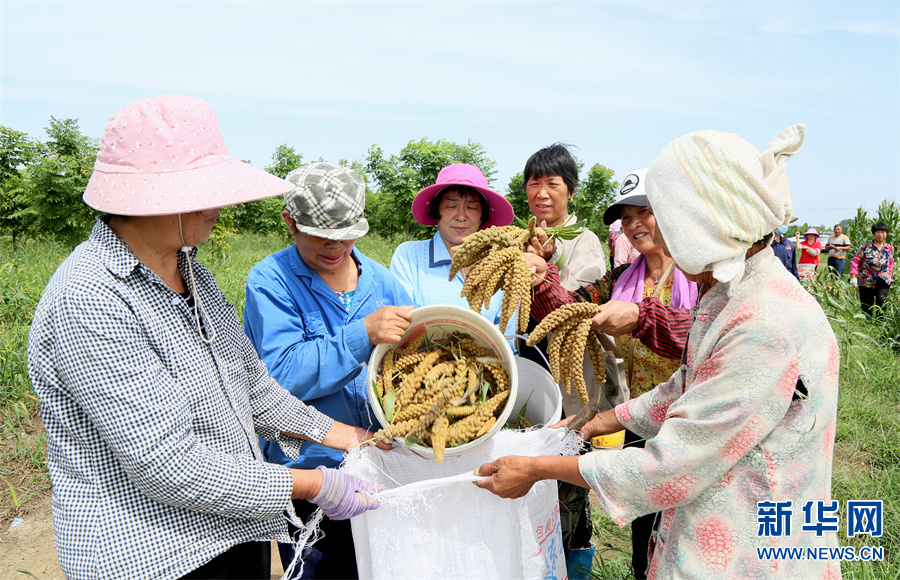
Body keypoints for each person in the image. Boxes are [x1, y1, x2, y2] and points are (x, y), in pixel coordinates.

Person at [26, 95, 386, 580]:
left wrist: (352, 439)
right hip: (155, 556)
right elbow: (168, 463)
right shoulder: (91, 297)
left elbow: (253, 387)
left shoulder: (193, 275)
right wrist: (315, 483)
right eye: (207, 191)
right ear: (158, 196)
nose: (220, 206)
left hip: (235, 531)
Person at [475, 125, 841, 579]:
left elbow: (667, 468)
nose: (648, 230)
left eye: (660, 216)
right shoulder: (727, 289)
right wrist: (609, 420)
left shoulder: (764, 321)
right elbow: (688, 381)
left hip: (748, 553)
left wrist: (536, 468)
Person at [243, 162, 414, 579]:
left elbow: (408, 365)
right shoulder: (271, 282)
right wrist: (362, 334)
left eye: (345, 234)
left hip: (381, 470)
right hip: (311, 477)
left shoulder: (383, 283)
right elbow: (279, 376)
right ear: (290, 223)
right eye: (321, 236)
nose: (335, 247)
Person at [527, 167, 699, 580]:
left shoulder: (700, 271)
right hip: (640, 420)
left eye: (645, 211)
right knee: (647, 532)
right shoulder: (623, 278)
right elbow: (570, 311)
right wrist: (542, 277)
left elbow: (702, 335)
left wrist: (642, 317)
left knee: (688, 532)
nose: (634, 224)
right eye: (626, 217)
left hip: (694, 421)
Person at [516, 143, 606, 570]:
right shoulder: (521, 240)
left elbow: (572, 312)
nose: (543, 192)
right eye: (535, 183)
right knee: (532, 485)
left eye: (553, 183)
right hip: (532, 382)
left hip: (573, 389)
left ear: (570, 191)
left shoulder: (585, 243)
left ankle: (573, 564)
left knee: (568, 484)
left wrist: (544, 267)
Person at [389, 163, 515, 335]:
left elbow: (506, 340)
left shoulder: (500, 265)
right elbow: (400, 325)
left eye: (471, 207)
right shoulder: (409, 256)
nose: (461, 216)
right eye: (451, 206)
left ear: (482, 215)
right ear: (436, 211)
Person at [850, 221, 894, 317]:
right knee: (866, 305)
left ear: (886, 233)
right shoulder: (865, 247)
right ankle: (867, 324)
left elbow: (890, 262)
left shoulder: (890, 248)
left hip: (883, 280)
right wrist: (853, 275)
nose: (881, 235)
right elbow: (856, 260)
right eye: (878, 232)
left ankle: (879, 324)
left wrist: (889, 275)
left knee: (882, 302)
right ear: (873, 233)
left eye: (883, 232)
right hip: (866, 280)